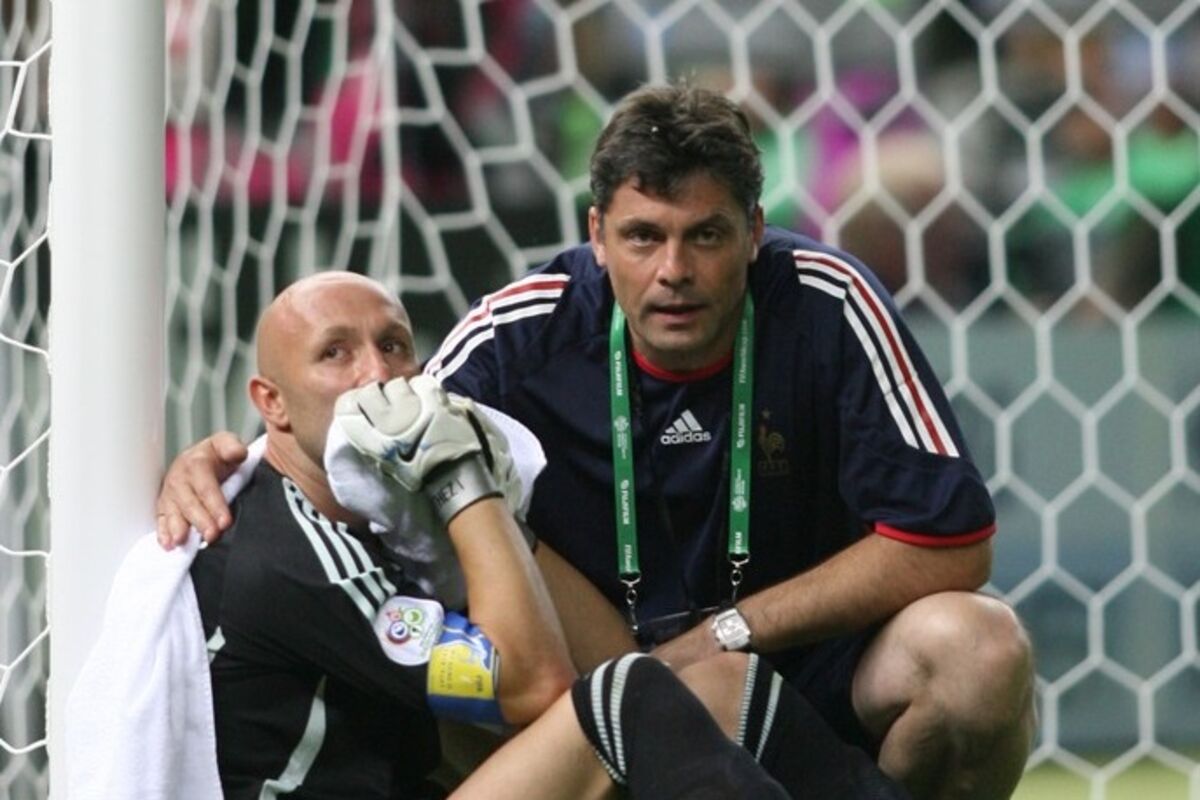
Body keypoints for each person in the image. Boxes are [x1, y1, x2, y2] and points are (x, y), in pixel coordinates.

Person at [158, 84, 1035, 799]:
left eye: (706, 236)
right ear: (596, 237)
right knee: (512, 575)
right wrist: (222, 466)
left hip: (808, 667)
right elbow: (360, 447)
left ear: (754, 233)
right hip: (593, 683)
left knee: (978, 653)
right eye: (644, 237)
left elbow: (952, 538)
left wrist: (723, 635)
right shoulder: (517, 336)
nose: (674, 271)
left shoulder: (826, 300)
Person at [177, 270, 909, 800]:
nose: (378, 374)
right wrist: (464, 484)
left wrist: (485, 509)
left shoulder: (381, 518)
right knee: (622, 703)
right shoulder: (296, 556)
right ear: (271, 402)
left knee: (716, 685)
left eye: (394, 345)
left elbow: (612, 660)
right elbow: (538, 685)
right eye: (335, 353)